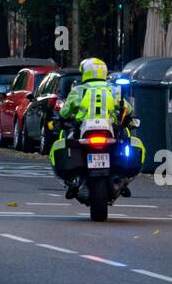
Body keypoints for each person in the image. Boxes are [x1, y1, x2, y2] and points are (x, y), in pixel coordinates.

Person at [50, 57, 133, 198]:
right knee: (122, 142)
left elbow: (65, 112)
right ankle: (122, 179)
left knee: (69, 143)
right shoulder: (114, 90)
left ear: (85, 72)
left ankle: (73, 181)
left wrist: (64, 117)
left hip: (84, 131)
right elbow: (128, 109)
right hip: (109, 131)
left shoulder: (78, 90)